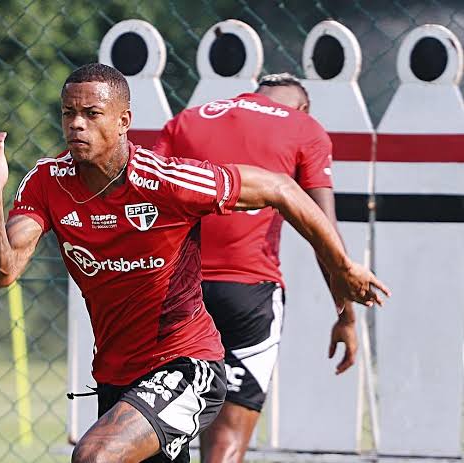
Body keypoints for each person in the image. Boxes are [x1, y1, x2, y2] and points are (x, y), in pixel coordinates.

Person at [0, 63, 389, 463]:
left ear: (124, 121)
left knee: (95, 455)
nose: (77, 124)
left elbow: (280, 187)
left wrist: (344, 268)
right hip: (117, 375)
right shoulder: (47, 181)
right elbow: (1, 273)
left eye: (91, 113)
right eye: (69, 113)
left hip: (187, 365)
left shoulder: (167, 179)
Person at [153, 72, 362, 462]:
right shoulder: (305, 128)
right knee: (226, 441)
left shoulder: (188, 119)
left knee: (159, 429)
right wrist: (345, 316)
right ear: (302, 105)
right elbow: (324, 231)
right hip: (248, 294)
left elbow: (145, 206)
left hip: (177, 293)